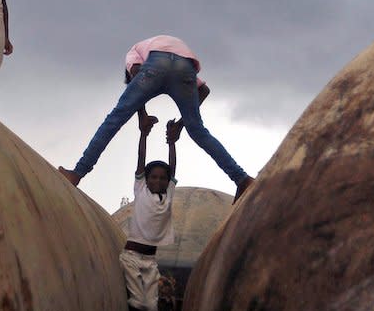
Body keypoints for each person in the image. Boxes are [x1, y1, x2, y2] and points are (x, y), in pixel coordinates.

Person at [58, 35, 255, 201]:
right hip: (185, 66)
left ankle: (77, 173)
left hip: (157, 62)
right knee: (199, 132)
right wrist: (181, 125)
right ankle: (242, 179)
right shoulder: (160, 46)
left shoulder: (133, 52)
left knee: (115, 119)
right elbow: (204, 90)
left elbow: (135, 74)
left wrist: (141, 115)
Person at [123, 117, 183, 311]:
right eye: (153, 177)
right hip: (132, 257)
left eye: (162, 178)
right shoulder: (140, 190)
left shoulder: (167, 194)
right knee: (137, 303)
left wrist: (172, 142)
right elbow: (140, 159)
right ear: (145, 179)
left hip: (150, 261)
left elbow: (173, 166)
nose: (158, 181)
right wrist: (144, 135)